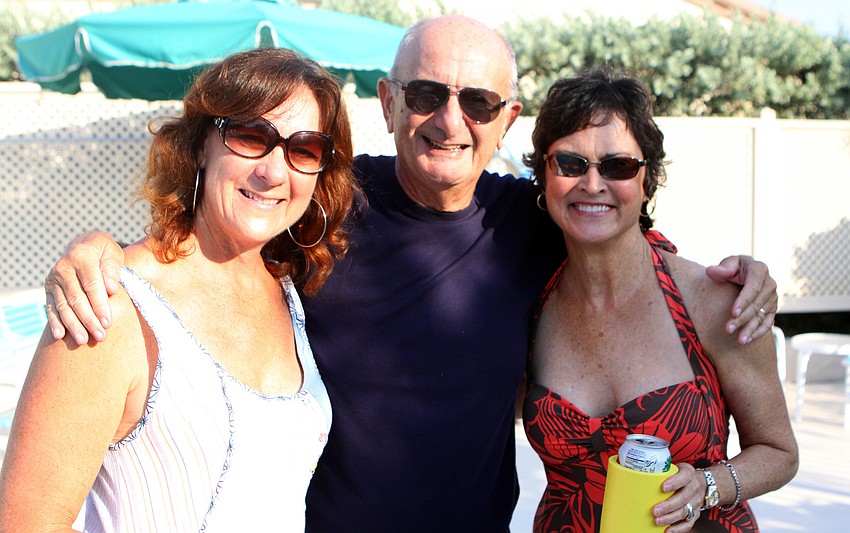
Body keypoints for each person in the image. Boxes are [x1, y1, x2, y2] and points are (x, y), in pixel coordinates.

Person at [39, 17, 779, 532]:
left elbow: (613, 227)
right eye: (427, 94)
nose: (450, 121)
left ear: (507, 119)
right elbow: (216, 236)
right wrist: (102, 251)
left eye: (478, 102)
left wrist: (738, 277)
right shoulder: (321, 204)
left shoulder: (529, 222)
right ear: (390, 102)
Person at [0, 48, 358, 532]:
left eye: (305, 149)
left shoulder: (293, 290)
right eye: (251, 136)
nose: (274, 171)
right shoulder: (109, 305)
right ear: (201, 144)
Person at [521, 67, 798, 533]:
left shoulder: (714, 303)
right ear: (544, 176)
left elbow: (779, 452)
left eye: (618, 166)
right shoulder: (528, 301)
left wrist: (708, 486)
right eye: (570, 163)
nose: (592, 183)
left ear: (647, 180)